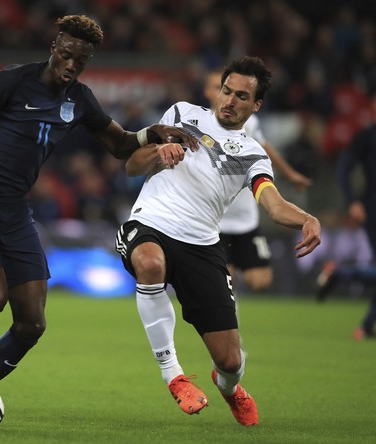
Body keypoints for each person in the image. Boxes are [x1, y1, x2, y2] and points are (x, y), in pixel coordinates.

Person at [0, 15, 196, 419]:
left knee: (32, 325)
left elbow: (119, 144)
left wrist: (150, 133)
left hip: (15, 208)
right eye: (66, 55)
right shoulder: (14, 81)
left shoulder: (79, 99)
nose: (70, 66)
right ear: (54, 47)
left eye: (79, 62)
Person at [115, 56, 321, 426]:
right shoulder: (182, 115)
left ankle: (230, 388)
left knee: (230, 361)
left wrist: (307, 219)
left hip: (204, 245)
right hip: (150, 223)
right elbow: (132, 164)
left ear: (256, 105)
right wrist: (157, 151)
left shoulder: (253, 154)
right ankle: (173, 375)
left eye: (241, 96)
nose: (229, 101)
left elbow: (272, 205)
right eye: (226, 91)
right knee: (149, 264)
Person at [203, 68, 313, 293]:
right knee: (224, 280)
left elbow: (263, 147)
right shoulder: (197, 124)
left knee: (261, 281)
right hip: (215, 221)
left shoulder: (247, 124)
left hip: (245, 220)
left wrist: (290, 174)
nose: (229, 96)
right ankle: (224, 321)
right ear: (209, 92)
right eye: (221, 89)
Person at [316, 89, 376, 341]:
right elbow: (343, 171)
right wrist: (353, 201)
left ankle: (339, 274)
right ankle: (364, 327)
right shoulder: (366, 136)